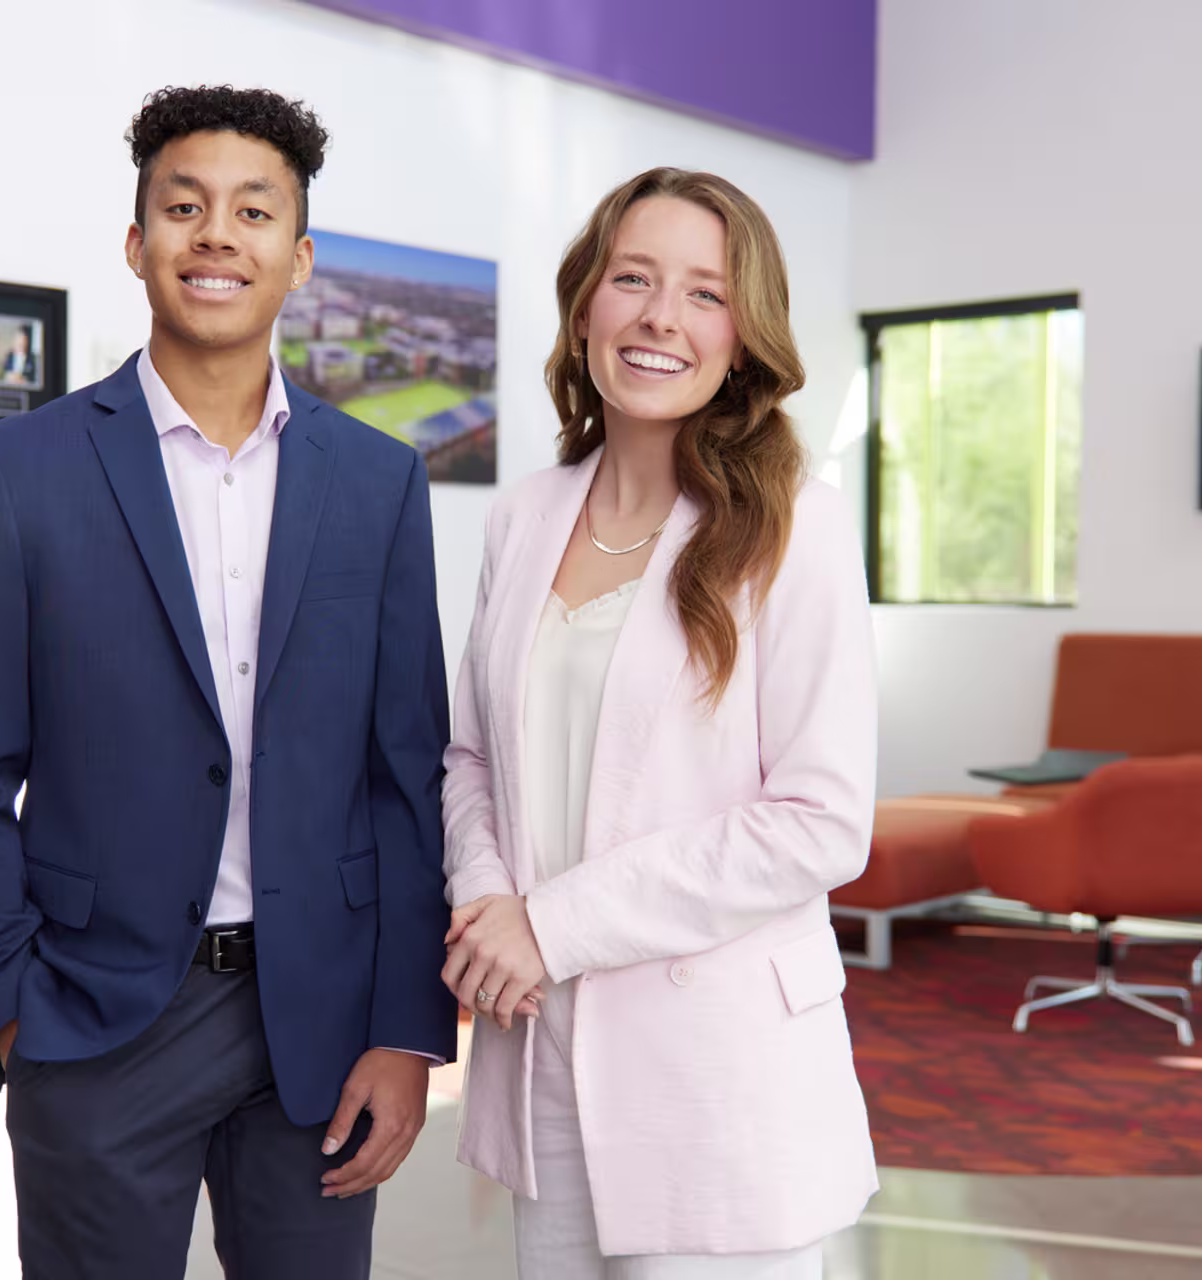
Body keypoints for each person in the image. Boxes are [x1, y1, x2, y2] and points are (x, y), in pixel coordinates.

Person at [0, 85, 456, 1280]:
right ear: (136, 242)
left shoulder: (378, 483)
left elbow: (406, 775)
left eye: (254, 211)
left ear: (298, 257)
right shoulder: (18, 469)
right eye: (184, 205)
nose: (218, 233)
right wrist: (5, 998)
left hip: (319, 1016)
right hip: (97, 1019)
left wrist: (408, 1029)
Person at [439, 168, 879, 1279]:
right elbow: (471, 753)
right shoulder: (524, 515)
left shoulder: (797, 527)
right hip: (544, 1053)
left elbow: (820, 822)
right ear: (586, 301)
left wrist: (554, 921)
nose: (658, 318)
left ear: (744, 336)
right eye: (632, 277)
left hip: (719, 1081)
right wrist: (487, 894)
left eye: (703, 293)